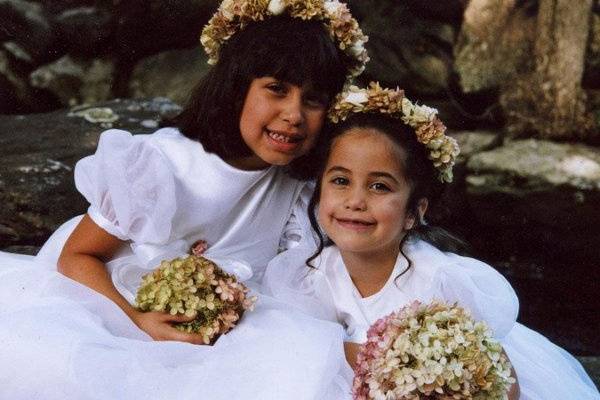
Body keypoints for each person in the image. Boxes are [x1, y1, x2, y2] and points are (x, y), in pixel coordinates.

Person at [0, 1, 369, 399]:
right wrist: (138, 321)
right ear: (236, 89)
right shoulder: (166, 162)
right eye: (276, 89)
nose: (294, 114)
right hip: (115, 301)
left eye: (313, 100)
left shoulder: (297, 183)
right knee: (66, 368)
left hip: (226, 318)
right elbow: (77, 257)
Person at [263, 83, 600, 399]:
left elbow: (503, 381)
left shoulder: (439, 280)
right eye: (340, 180)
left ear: (414, 212)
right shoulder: (313, 273)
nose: (355, 201)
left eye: (379, 186)